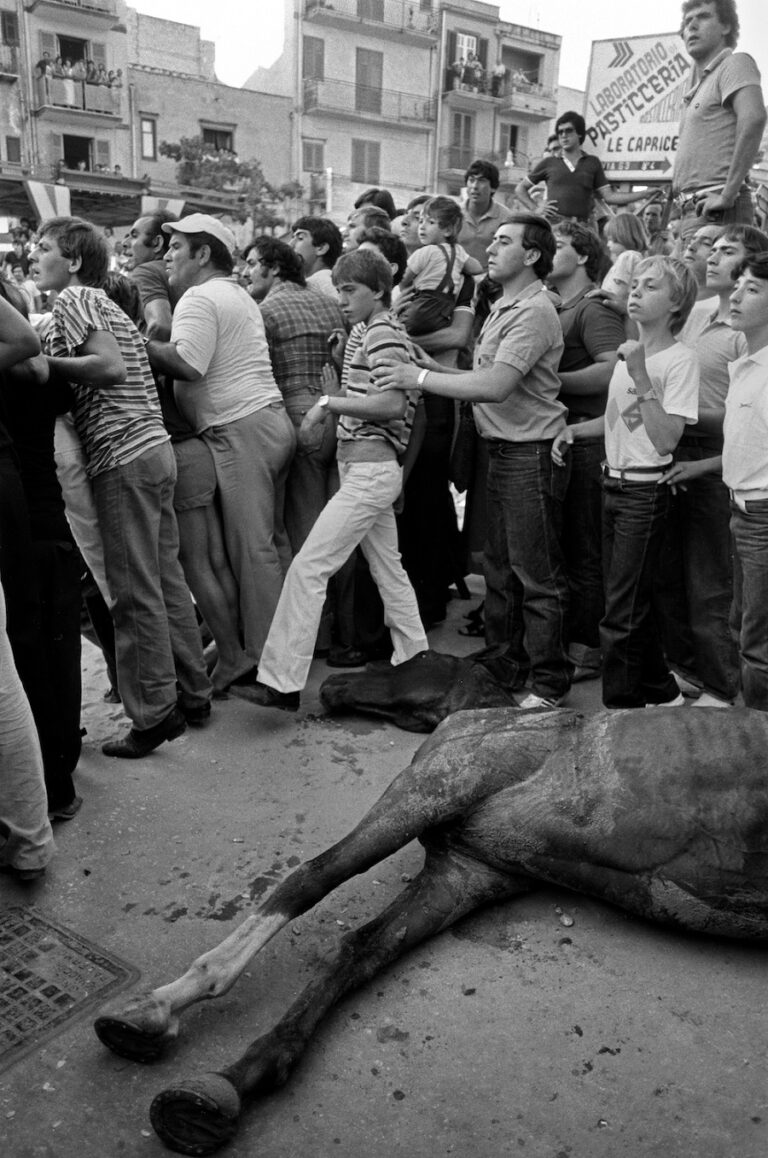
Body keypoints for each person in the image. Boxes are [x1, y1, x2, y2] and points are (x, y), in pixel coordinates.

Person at [31, 216, 212, 758]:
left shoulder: (74, 301)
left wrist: (45, 363)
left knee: (134, 594)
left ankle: (154, 714)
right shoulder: (108, 304)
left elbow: (107, 368)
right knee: (166, 580)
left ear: (76, 261)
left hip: (122, 458)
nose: (34, 256)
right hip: (153, 450)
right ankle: (195, 694)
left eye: (44, 249)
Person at [376, 214, 573, 710]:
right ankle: (506, 661)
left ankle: (548, 684)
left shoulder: (533, 311)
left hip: (529, 453)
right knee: (502, 569)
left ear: (531, 256)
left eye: (504, 241)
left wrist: (416, 379)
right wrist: (429, 366)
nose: (490, 247)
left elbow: (494, 386)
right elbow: (479, 374)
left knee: (537, 577)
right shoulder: (505, 304)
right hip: (506, 450)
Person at [239, 249, 427, 712]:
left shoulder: (382, 331)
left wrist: (329, 404)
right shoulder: (372, 330)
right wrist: (342, 387)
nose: (342, 299)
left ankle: (282, 682)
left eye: (351, 290)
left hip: (369, 471)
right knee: (389, 570)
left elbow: (392, 405)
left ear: (379, 291)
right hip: (367, 468)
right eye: (339, 289)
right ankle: (417, 659)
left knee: (309, 568)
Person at [146, 214, 296, 677]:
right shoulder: (234, 293)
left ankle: (270, 667)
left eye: (176, 247)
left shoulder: (199, 296)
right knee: (272, 545)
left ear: (203, 254)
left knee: (255, 553)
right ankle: (273, 651)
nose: (166, 255)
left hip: (240, 429)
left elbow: (189, 363)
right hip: (266, 423)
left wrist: (133, 345)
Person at [552, 257, 699, 709]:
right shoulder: (629, 351)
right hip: (611, 485)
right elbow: (621, 422)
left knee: (620, 614)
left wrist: (639, 374)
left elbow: (665, 438)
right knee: (627, 605)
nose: (634, 292)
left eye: (650, 286)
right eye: (634, 285)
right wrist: (577, 430)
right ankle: (662, 692)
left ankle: (617, 714)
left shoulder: (678, 359)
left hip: (643, 492)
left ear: (676, 303)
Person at [660, 225, 768, 706]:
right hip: (720, 483)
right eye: (738, 285)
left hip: (745, 489)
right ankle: (715, 688)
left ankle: (738, 711)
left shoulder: (755, 352)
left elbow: (744, 428)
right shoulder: (714, 327)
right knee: (720, 605)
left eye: (753, 287)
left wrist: (672, 408)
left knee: (738, 614)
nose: (738, 296)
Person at [548, 222, 625, 682]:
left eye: (556, 246)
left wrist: (546, 382)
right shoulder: (560, 304)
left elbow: (612, 372)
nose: (545, 252)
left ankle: (586, 649)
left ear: (581, 257)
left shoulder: (593, 308)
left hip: (588, 437)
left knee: (584, 549)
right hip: (567, 435)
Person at [673, 0, 765, 241]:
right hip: (693, 210)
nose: (691, 26)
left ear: (725, 26)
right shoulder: (699, 85)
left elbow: (754, 117)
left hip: (717, 208)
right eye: (686, 22)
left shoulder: (734, 63)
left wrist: (727, 194)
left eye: (702, 17)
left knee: (710, 278)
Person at [515, 111, 649, 224]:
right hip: (555, 226)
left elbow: (610, 196)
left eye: (568, 130)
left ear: (579, 133)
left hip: (584, 225)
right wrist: (535, 208)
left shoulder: (592, 162)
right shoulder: (549, 162)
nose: (563, 135)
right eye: (560, 132)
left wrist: (645, 193)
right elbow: (520, 188)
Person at [396, 196, 482, 336]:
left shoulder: (424, 252)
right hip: (445, 310)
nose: (422, 226)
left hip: (421, 305)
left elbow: (404, 279)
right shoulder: (458, 252)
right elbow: (477, 268)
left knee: (398, 332)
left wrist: (408, 294)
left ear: (447, 230)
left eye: (430, 222)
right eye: (421, 221)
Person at [458, 160, 514, 269]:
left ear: (493, 187)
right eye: (471, 180)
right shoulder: (454, 214)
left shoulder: (506, 218)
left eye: (481, 181)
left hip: (490, 278)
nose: (475, 186)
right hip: (456, 276)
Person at [600, 213, 649, 309]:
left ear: (622, 237)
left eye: (611, 240)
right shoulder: (636, 257)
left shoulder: (627, 257)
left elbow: (618, 290)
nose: (608, 244)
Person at [290, 216, 344, 299]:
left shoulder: (322, 285)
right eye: (292, 238)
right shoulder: (333, 283)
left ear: (321, 248)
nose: (290, 244)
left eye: (300, 238)